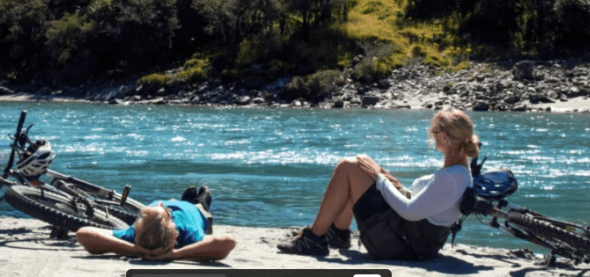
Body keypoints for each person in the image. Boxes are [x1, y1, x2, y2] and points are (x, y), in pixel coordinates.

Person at [277, 108, 480, 260]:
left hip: (401, 245)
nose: (431, 133)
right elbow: (424, 204)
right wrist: (386, 177)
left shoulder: (451, 178)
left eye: (435, 129)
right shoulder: (459, 172)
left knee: (347, 167)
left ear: (444, 137)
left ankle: (314, 239)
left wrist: (380, 178)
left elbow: (409, 211)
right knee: (360, 166)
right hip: (411, 240)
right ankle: (338, 234)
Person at [76, 185, 237, 261]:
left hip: (169, 208)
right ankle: (201, 201)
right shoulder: (188, 232)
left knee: (188, 202)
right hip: (190, 211)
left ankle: (189, 199)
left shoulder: (133, 235)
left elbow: (83, 233)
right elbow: (228, 241)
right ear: (174, 235)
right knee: (201, 206)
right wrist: (175, 254)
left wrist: (134, 248)